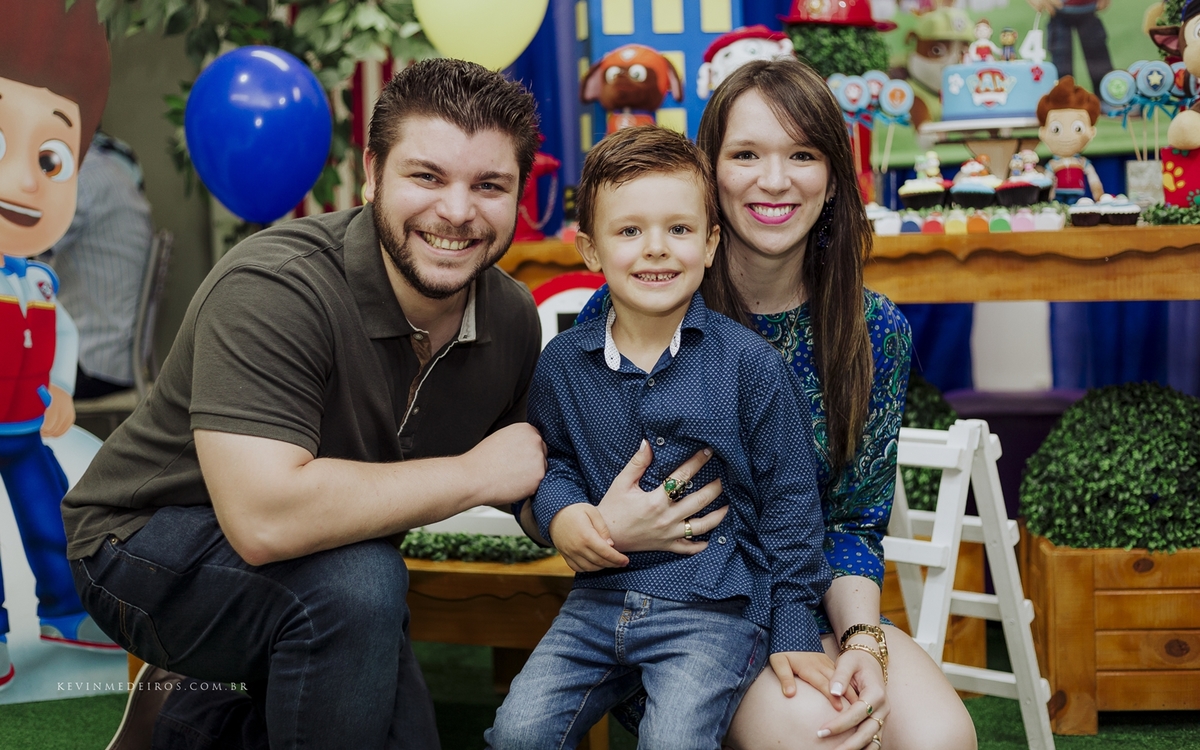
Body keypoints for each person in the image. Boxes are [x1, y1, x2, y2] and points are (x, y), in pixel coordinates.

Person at [62, 58, 550, 750]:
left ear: (519, 196)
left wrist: (589, 513)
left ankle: (184, 724)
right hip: (143, 543)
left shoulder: (512, 318)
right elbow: (265, 519)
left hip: (329, 552)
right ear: (372, 173)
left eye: (490, 185)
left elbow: (530, 470)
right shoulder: (275, 285)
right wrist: (478, 474)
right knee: (357, 588)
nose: (458, 211)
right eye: (427, 176)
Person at [552, 58, 977, 750]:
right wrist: (598, 520)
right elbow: (581, 470)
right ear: (708, 172)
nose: (774, 180)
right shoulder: (640, 299)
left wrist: (863, 643)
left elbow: (853, 522)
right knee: (823, 736)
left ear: (834, 175)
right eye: (746, 154)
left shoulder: (874, 332)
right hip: (681, 610)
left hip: (807, 606)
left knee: (941, 739)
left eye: (802, 154)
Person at [487, 126, 831, 749]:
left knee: (672, 742)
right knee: (517, 732)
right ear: (591, 250)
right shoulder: (562, 364)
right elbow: (554, 459)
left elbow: (791, 507)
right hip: (596, 602)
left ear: (710, 243)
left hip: (714, 611)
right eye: (628, 231)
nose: (656, 250)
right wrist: (565, 514)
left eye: (679, 229)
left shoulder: (748, 366)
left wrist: (792, 628)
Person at [1, 0, 120, 692]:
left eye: (50, 158)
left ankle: (66, 613)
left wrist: (65, 389)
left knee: (51, 519)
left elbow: (62, 335)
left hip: (25, 424)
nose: (23, 182)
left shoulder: (39, 280)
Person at [43, 130, 154, 399]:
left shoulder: (78, 179)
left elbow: (27, 245)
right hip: (117, 358)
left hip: (89, 361)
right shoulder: (109, 166)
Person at [1038, 76, 1104, 205]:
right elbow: (1047, 180)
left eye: (1078, 129)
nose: (1067, 137)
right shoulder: (1052, 165)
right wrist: (1045, 197)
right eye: (1055, 129)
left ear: (1091, 131)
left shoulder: (1082, 162)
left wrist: (1098, 193)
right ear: (1043, 132)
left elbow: (1093, 178)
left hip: (1077, 195)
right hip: (1058, 195)